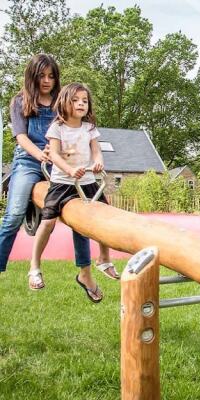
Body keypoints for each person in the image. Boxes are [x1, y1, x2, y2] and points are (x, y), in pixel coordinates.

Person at [0, 54, 116, 292]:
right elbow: (21, 137)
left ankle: (86, 273)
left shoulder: (61, 101)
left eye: (51, 76)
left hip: (61, 164)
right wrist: (40, 154)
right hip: (29, 160)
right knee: (13, 215)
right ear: (32, 77)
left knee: (79, 215)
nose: (46, 81)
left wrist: (69, 157)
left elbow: (74, 134)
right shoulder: (20, 101)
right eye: (41, 76)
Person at [31, 82, 118, 303]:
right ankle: (35, 265)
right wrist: (70, 170)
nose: (81, 103)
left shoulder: (89, 128)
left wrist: (97, 163)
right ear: (64, 103)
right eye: (76, 100)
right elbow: (56, 156)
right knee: (48, 222)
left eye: (85, 100)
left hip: (87, 182)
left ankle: (104, 259)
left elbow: (97, 152)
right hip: (62, 183)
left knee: (104, 217)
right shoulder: (57, 128)